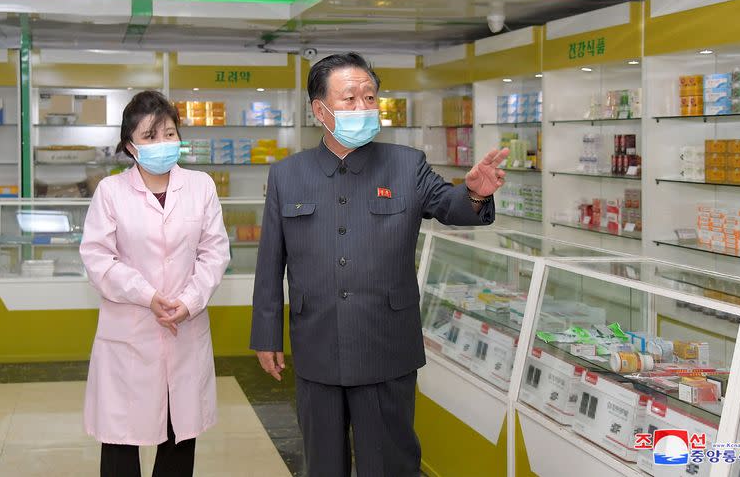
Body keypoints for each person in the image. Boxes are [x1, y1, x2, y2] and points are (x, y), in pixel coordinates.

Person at [250, 52, 508, 476]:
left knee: (389, 464)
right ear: (321, 110)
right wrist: (266, 336)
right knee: (323, 465)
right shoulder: (287, 175)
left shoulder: (407, 165)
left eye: (370, 97)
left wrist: (475, 192)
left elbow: (451, 206)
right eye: (349, 99)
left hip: (386, 345)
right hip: (317, 345)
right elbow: (270, 262)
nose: (363, 108)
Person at [80, 90, 230, 477]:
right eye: (150, 136)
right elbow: (98, 258)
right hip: (130, 335)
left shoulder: (201, 186)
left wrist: (190, 300)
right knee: (120, 440)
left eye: (169, 133)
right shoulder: (111, 192)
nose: (163, 143)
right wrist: (147, 296)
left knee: (178, 436)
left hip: (184, 325)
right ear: (130, 146)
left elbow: (214, 253)